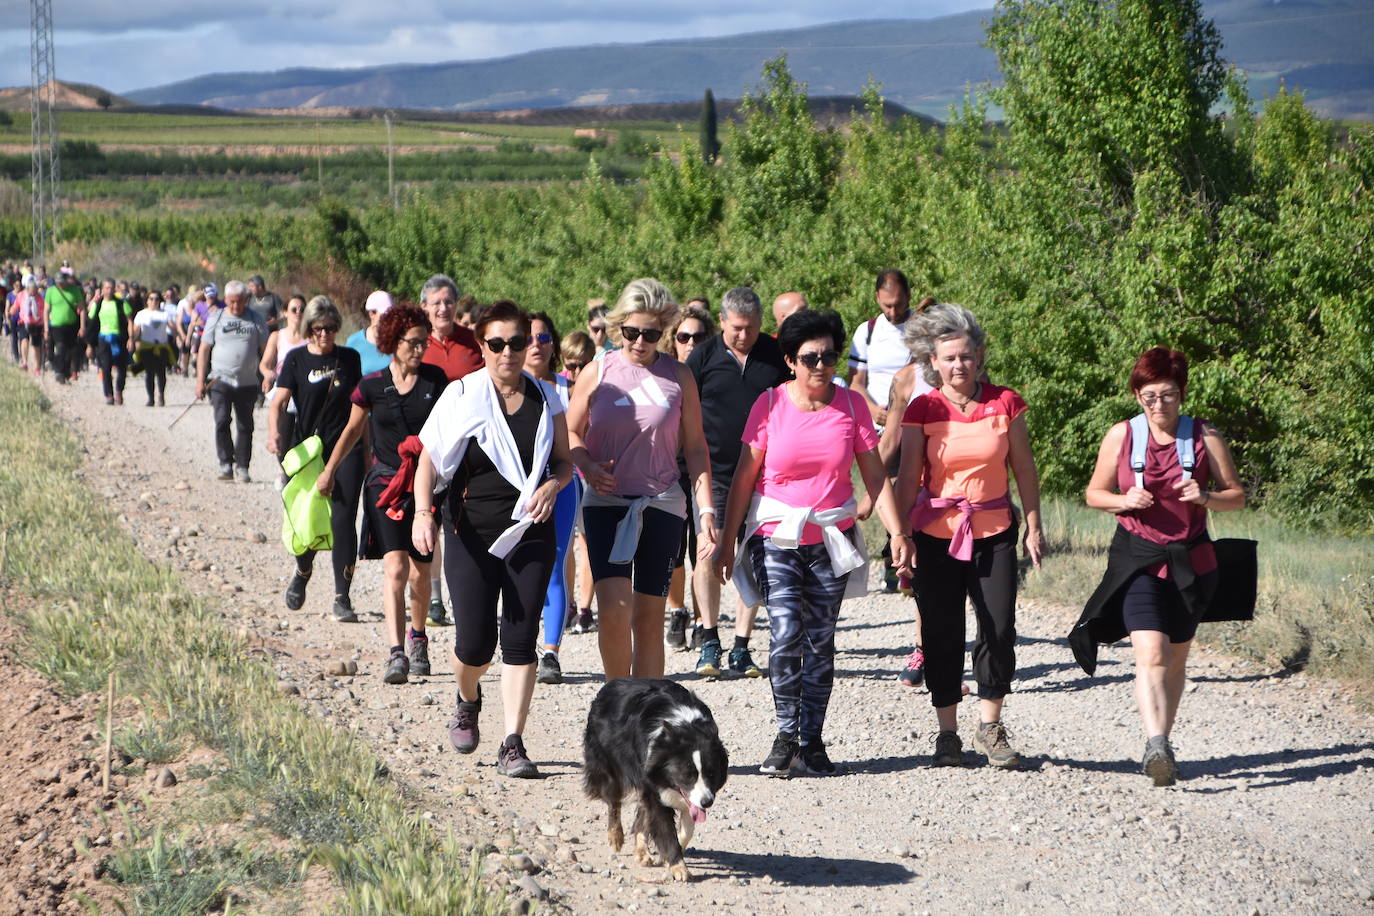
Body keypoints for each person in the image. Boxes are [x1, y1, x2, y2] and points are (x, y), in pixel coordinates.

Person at [714, 309, 910, 777]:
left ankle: (812, 740)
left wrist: (898, 532)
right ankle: (785, 735)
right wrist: (726, 540)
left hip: (831, 536)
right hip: (776, 534)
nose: (821, 365)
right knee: (785, 631)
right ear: (790, 361)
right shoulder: (769, 405)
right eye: (810, 357)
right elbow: (744, 477)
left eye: (829, 355)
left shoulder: (851, 406)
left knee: (820, 641)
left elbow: (874, 475)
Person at [413, 300, 573, 778]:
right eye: (497, 344)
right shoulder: (461, 395)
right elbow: (428, 460)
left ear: (531, 345)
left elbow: (564, 461)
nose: (508, 352)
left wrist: (553, 484)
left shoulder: (548, 399)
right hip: (470, 533)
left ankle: (513, 743)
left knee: (521, 641)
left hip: (529, 532)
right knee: (474, 645)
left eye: (518, 342)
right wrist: (424, 513)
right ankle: (467, 697)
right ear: (481, 346)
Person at [1077, 347, 1246, 786]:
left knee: (1175, 658)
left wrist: (1206, 498)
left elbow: (1237, 496)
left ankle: (1163, 739)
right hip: (1137, 561)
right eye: (1149, 395)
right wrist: (1122, 500)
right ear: (1137, 396)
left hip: (1193, 564)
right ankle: (1156, 744)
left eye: (1167, 395)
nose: (1158, 404)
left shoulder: (1205, 436)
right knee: (1150, 653)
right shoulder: (1121, 436)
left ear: (1182, 393)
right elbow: (1094, 493)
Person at [895, 304, 1044, 769]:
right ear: (932, 364)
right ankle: (947, 733)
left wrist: (1034, 523)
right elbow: (907, 477)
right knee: (941, 631)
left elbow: (1023, 466)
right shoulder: (924, 408)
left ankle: (991, 725)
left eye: (965, 356)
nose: (958, 365)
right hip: (936, 534)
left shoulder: (1005, 402)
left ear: (978, 357)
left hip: (994, 529)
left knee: (998, 626)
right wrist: (901, 536)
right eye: (948, 358)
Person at [567, 278, 715, 681]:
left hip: (663, 503)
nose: (640, 342)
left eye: (651, 334)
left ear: (664, 330)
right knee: (614, 611)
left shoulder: (679, 376)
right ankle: (618, 699)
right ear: (619, 328)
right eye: (632, 332)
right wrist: (588, 467)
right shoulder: (599, 372)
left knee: (649, 618)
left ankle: (647, 707)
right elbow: (570, 432)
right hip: (607, 503)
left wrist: (706, 511)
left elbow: (697, 447)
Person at [321, 304, 447, 682]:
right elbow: (352, 431)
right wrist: (329, 470)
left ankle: (418, 636)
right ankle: (396, 653)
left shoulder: (436, 382)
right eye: (413, 342)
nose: (420, 349)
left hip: (426, 487)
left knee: (420, 574)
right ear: (393, 341)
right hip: (385, 484)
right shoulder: (372, 385)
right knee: (395, 567)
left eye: (425, 342)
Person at [685, 286, 791, 679]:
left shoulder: (775, 356)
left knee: (753, 554)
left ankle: (742, 646)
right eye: (736, 329)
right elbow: (685, 412)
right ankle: (709, 638)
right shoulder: (704, 356)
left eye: (750, 328)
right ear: (723, 322)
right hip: (713, 472)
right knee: (709, 551)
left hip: (765, 472)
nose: (743, 336)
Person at [268, 295, 364, 622]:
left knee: (343, 519)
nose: (325, 334)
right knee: (307, 518)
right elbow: (278, 402)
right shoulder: (296, 360)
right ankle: (303, 570)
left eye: (332, 328)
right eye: (319, 328)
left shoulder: (350, 359)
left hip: (347, 448)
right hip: (308, 451)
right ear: (309, 328)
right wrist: (273, 435)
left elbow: (359, 410)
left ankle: (342, 597)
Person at [418, 274, 485, 627]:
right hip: (426, 449)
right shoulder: (416, 344)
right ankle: (434, 598)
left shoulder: (474, 344)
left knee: (460, 523)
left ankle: (468, 594)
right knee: (429, 524)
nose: (443, 308)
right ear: (424, 307)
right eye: (437, 302)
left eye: (449, 302)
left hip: (467, 451)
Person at [523, 311, 576, 684]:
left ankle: (551, 653)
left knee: (556, 564)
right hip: (519, 489)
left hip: (564, 485)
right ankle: (521, 642)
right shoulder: (505, 388)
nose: (536, 345)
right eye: (528, 338)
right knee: (521, 564)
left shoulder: (567, 387)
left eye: (543, 338)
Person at [659, 301, 715, 649]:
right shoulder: (665, 376)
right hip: (668, 469)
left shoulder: (714, 374)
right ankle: (677, 610)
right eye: (683, 336)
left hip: (706, 469)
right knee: (673, 552)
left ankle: (701, 619)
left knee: (704, 549)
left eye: (698, 336)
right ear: (673, 340)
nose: (691, 343)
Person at [196, 280, 269, 482]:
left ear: (246, 300)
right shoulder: (216, 317)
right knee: (221, 420)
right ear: (225, 300)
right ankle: (226, 463)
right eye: (231, 301)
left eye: (239, 302)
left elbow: (266, 350)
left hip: (247, 382)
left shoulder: (256, 319)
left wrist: (268, 374)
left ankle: (243, 466)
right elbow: (204, 349)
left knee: (246, 425)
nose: (235, 306)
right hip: (220, 379)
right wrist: (200, 380)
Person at [559, 330, 598, 634]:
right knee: (566, 545)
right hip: (564, 473)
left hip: (588, 471)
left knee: (588, 542)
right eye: (570, 365)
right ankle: (569, 601)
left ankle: (585, 607)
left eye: (581, 365)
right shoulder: (557, 387)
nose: (574, 372)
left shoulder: (599, 387)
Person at [848, 269, 915, 429]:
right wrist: (871, 409)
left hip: (914, 424)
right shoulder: (866, 331)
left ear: (908, 296)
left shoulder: (926, 328)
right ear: (877, 297)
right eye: (887, 305)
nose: (892, 312)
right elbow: (855, 383)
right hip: (877, 428)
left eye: (898, 305)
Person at [86, 279, 135, 405]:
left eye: (111, 288)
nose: (109, 290)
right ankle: (109, 394)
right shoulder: (98, 304)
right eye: (107, 288)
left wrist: (131, 338)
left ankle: (119, 390)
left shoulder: (121, 303)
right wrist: (90, 345)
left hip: (120, 338)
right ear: (102, 289)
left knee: (122, 368)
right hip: (103, 339)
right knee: (105, 367)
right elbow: (91, 324)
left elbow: (130, 321)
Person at [131, 289, 174, 406]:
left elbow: (173, 327)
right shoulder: (141, 314)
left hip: (162, 347)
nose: (154, 301)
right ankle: (151, 398)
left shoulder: (165, 314)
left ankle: (161, 394)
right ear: (147, 301)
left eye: (156, 299)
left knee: (161, 373)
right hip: (147, 346)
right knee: (149, 373)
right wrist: (131, 340)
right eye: (151, 299)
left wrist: (180, 335)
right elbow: (136, 330)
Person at [44, 268, 85, 384]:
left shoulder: (75, 290)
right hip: (56, 325)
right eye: (58, 282)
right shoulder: (51, 291)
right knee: (60, 347)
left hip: (72, 325)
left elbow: (82, 309)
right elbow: (46, 310)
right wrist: (46, 328)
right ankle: (59, 371)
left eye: (62, 282)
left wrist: (82, 326)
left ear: (67, 280)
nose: (60, 284)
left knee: (71, 349)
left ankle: (66, 372)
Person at [346, 290, 394, 375]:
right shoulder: (354, 343)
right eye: (385, 314)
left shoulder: (399, 341)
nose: (389, 318)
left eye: (392, 314)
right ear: (372, 314)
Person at [16, 276, 45, 376]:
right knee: (24, 340)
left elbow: (44, 309)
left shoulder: (40, 297)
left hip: (37, 323)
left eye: (35, 290)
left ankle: (37, 367)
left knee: (36, 345)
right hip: (23, 322)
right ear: (27, 289)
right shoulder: (21, 295)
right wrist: (11, 312)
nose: (33, 292)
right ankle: (25, 362)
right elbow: (15, 306)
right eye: (31, 290)